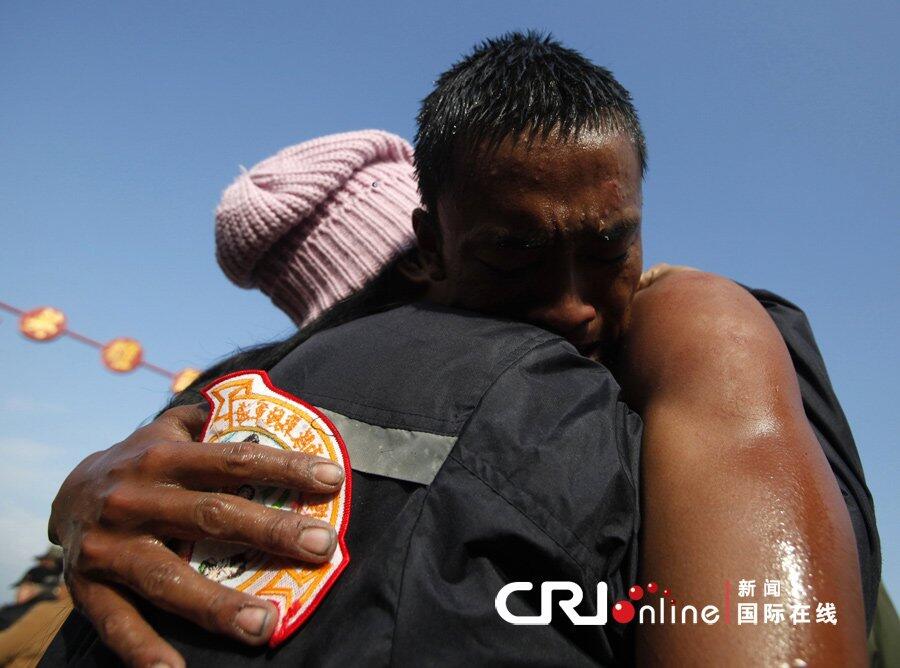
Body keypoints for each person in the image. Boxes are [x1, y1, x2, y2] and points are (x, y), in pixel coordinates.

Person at [41, 33, 878, 666]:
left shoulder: (688, 334)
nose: (574, 309)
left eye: (606, 249)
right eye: (507, 260)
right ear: (427, 254)